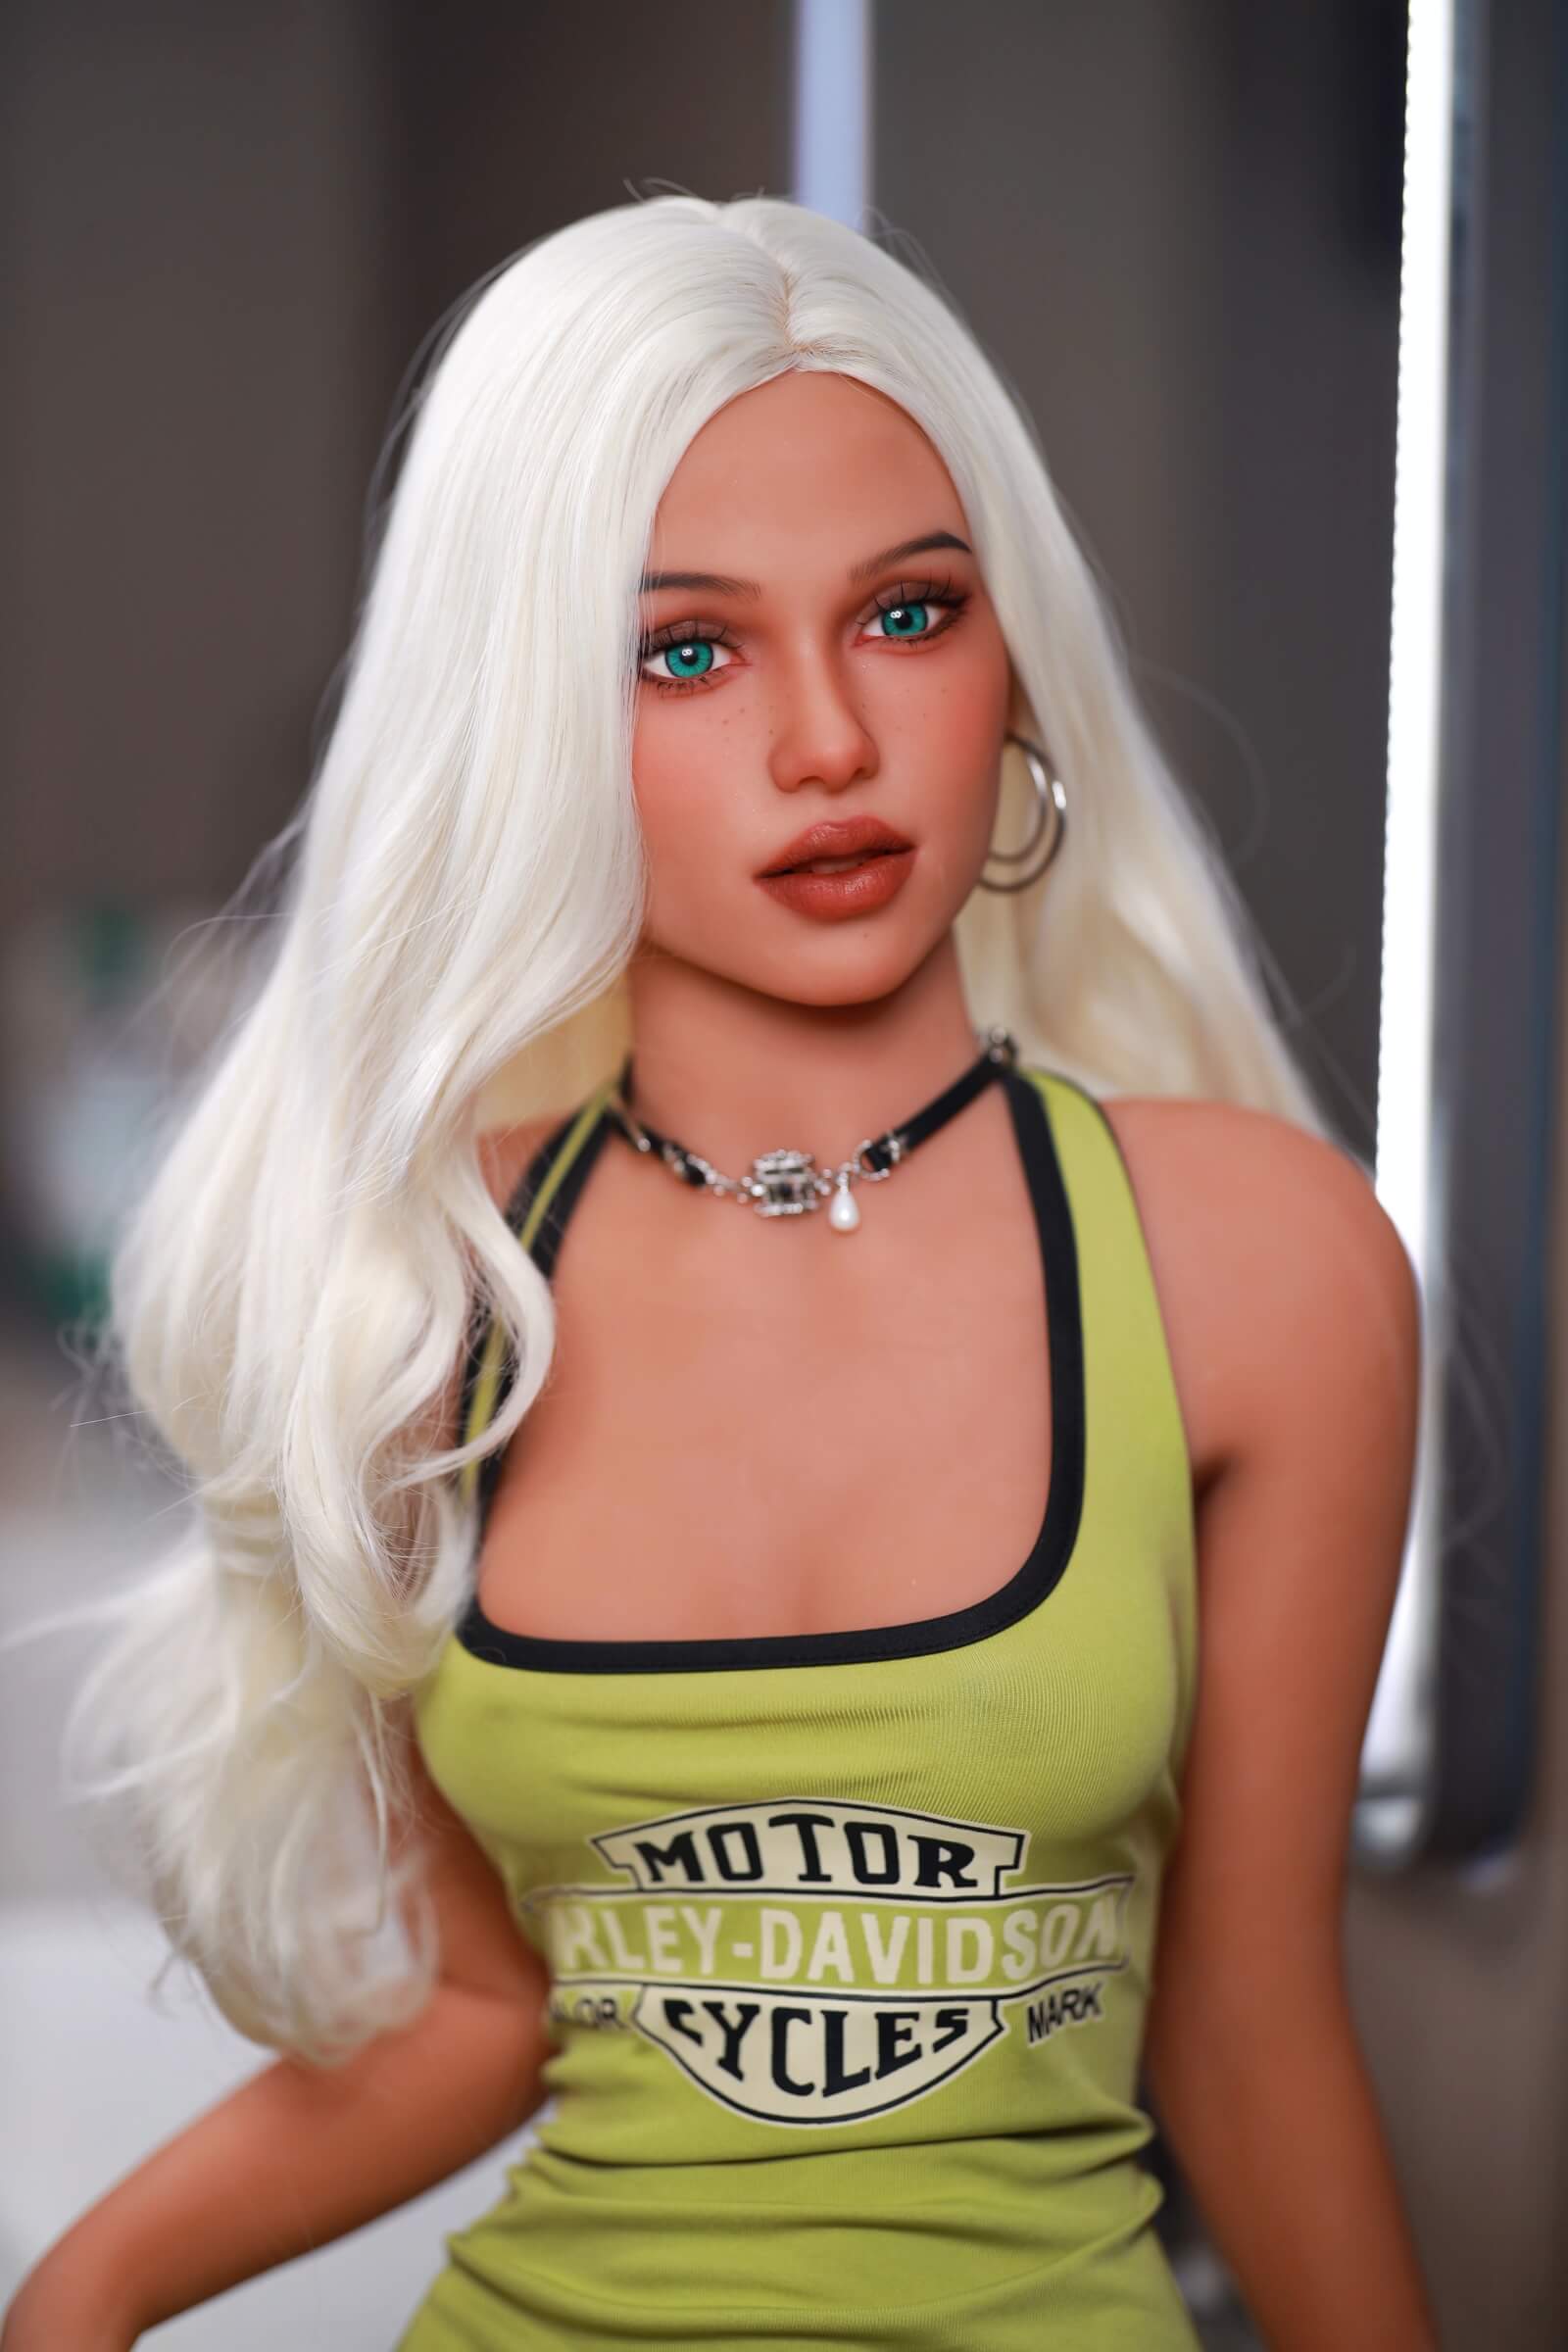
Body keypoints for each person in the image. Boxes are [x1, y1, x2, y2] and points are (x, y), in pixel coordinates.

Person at [1, 193, 1438, 2349]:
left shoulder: (1257, 1267)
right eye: (686, 651)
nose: (827, 741)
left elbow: (1247, 2024)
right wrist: (83, 2290)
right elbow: (483, 2013)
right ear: (531, 726)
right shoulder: (429, 1298)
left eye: (906, 615)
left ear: (1014, 665)